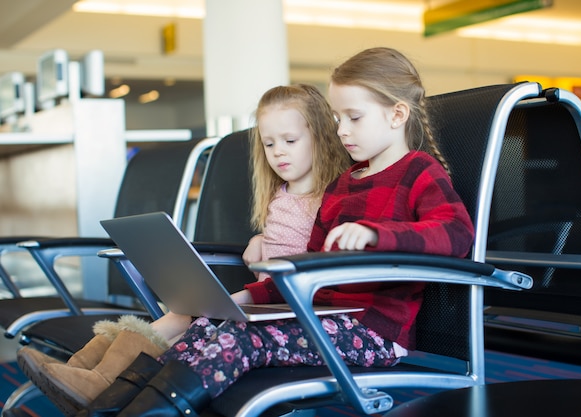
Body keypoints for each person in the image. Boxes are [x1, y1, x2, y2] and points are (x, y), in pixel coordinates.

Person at [76, 46, 475, 417]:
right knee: (213, 326)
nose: (342, 131)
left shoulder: (420, 172)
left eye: (354, 117)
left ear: (397, 115)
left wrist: (377, 236)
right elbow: (303, 267)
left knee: (244, 341)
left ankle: (154, 411)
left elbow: (457, 234)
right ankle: (114, 405)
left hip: (372, 331)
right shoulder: (342, 186)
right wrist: (247, 296)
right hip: (322, 316)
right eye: (338, 119)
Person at [16, 83, 351, 415]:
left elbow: (318, 261)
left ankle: (97, 383)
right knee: (180, 314)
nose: (278, 151)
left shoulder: (331, 200)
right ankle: (85, 373)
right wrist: (260, 239)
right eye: (269, 143)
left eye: (290, 141)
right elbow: (286, 237)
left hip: (286, 307)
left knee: (187, 324)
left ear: (321, 136)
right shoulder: (282, 194)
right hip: (262, 301)